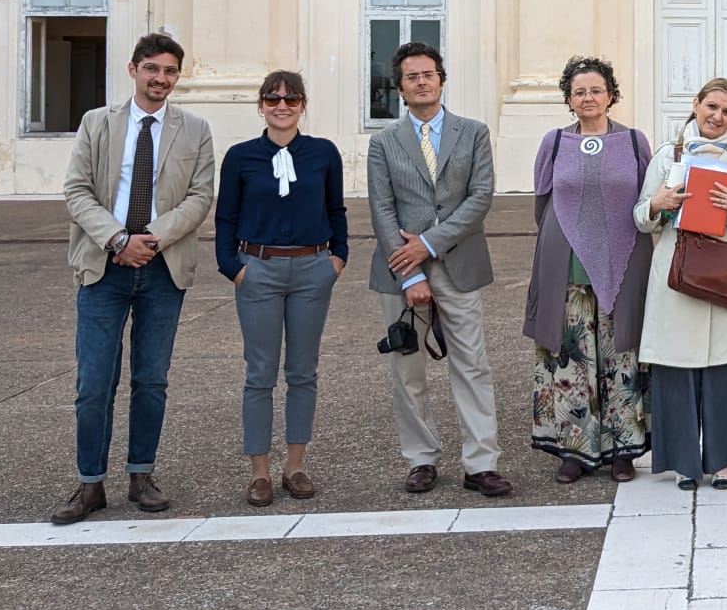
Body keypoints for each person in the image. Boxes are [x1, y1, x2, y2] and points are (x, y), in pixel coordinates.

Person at [53, 34, 216, 525]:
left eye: (169, 71)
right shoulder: (97, 124)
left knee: (151, 380)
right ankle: (89, 483)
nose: (160, 79)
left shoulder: (196, 130)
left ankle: (141, 474)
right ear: (132, 70)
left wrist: (151, 238)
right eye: (152, 69)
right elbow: (76, 191)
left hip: (163, 270)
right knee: (94, 381)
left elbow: (200, 197)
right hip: (104, 267)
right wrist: (119, 239)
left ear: (177, 77)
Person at [367, 41, 511, 499]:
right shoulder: (383, 142)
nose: (421, 82)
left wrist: (428, 243)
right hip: (399, 269)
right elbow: (382, 208)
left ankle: (481, 463)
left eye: (428, 74)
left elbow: (481, 196)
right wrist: (410, 272)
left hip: (458, 264)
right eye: (412, 77)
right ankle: (421, 459)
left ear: (441, 80)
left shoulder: (472, 132)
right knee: (408, 371)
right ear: (401, 88)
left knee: (472, 365)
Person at [215, 71, 347, 507]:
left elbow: (335, 208)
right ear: (261, 105)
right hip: (259, 269)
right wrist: (231, 267)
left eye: (291, 99)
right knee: (259, 374)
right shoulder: (240, 157)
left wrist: (336, 258)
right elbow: (226, 218)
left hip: (312, 268)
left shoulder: (323, 154)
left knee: (303, 371)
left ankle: (296, 465)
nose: (282, 105)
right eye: (273, 98)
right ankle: (259, 473)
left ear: (303, 105)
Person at [526, 55, 655, 485]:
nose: (588, 98)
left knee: (622, 356)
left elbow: (646, 199)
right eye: (579, 91)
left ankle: (623, 448)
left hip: (625, 262)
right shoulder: (555, 143)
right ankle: (575, 450)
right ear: (568, 99)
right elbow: (541, 204)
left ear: (611, 95)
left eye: (595, 90)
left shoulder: (635, 142)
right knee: (571, 358)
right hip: (567, 267)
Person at [635, 78, 727, 490]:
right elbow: (640, 216)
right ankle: (684, 461)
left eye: (726, 111)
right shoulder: (666, 155)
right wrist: (659, 204)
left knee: (723, 366)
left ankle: (723, 460)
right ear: (696, 105)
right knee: (676, 367)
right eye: (711, 106)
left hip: (722, 269)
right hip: (677, 268)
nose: (717, 116)